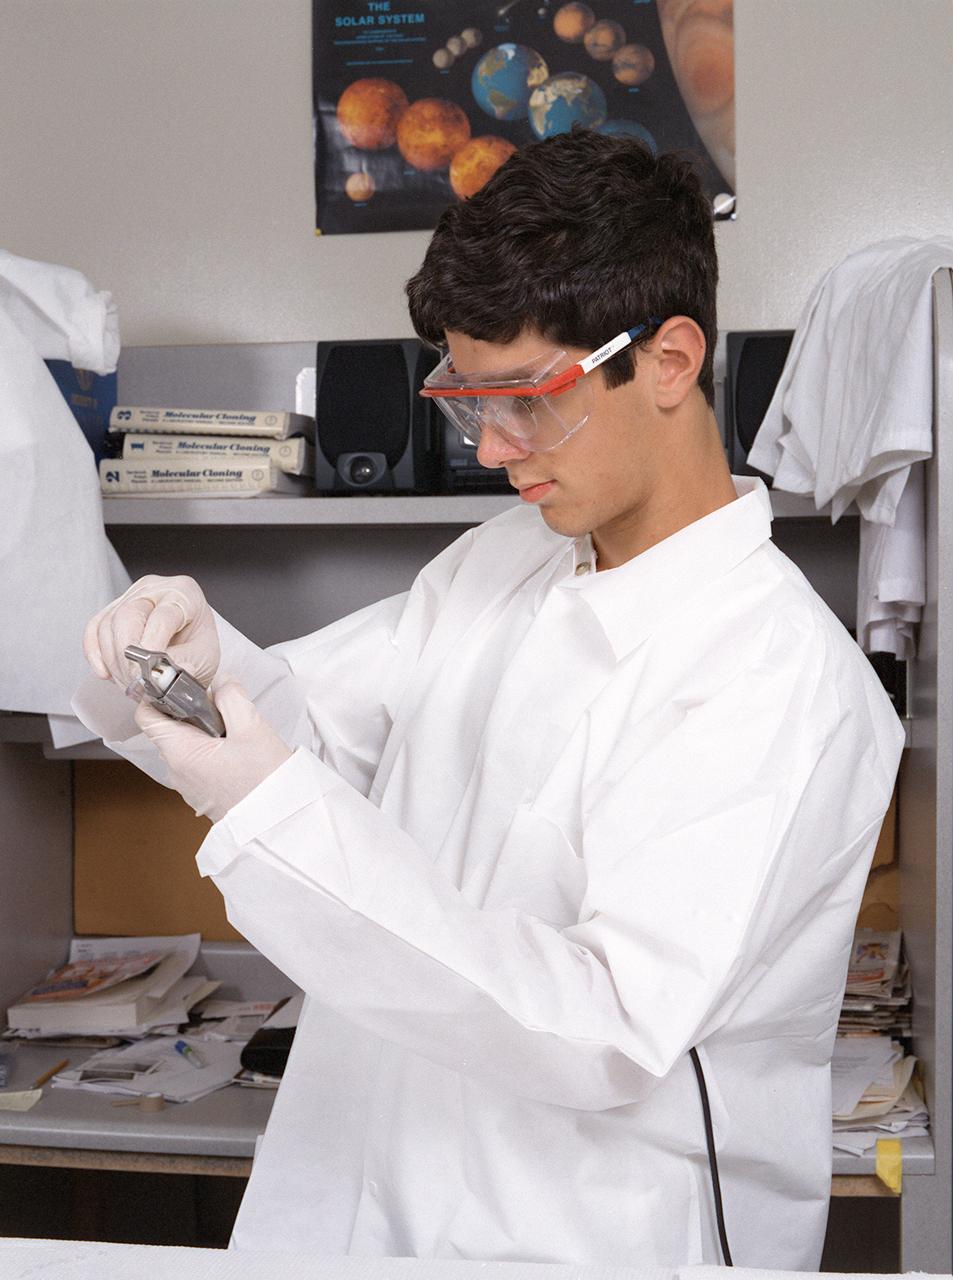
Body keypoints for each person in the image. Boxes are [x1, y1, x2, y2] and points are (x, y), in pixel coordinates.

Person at [75, 130, 903, 1268]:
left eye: (529, 399)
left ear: (666, 361)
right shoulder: (500, 562)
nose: (500, 449)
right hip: (357, 1194)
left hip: (586, 1233)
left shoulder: (776, 678)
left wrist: (268, 807)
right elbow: (314, 724)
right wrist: (203, 657)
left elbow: (604, 1025)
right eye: (471, 402)